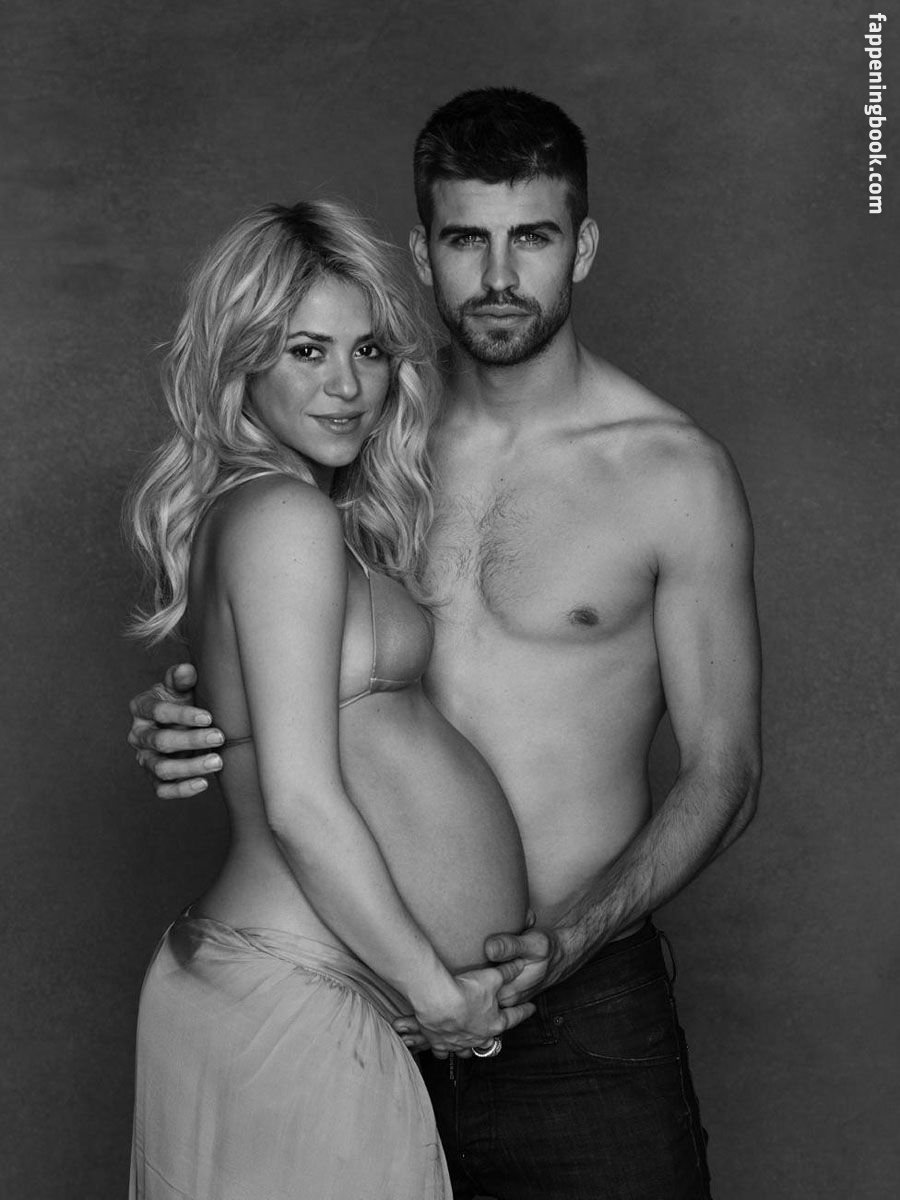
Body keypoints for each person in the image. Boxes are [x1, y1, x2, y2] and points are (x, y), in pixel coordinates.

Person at [129, 90, 762, 1200]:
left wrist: (576, 936)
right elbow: (278, 642)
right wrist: (192, 715)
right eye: (468, 240)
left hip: (575, 1008)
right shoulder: (365, 433)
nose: (501, 275)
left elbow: (727, 769)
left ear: (583, 247)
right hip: (356, 992)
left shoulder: (674, 473)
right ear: (423, 255)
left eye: (535, 238)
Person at [124, 198, 536, 1200]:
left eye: (369, 351)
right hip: (297, 991)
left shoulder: (279, 511)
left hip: (299, 989)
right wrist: (437, 994)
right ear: (241, 361)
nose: (347, 386)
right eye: (306, 351)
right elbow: (301, 803)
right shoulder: (283, 515)